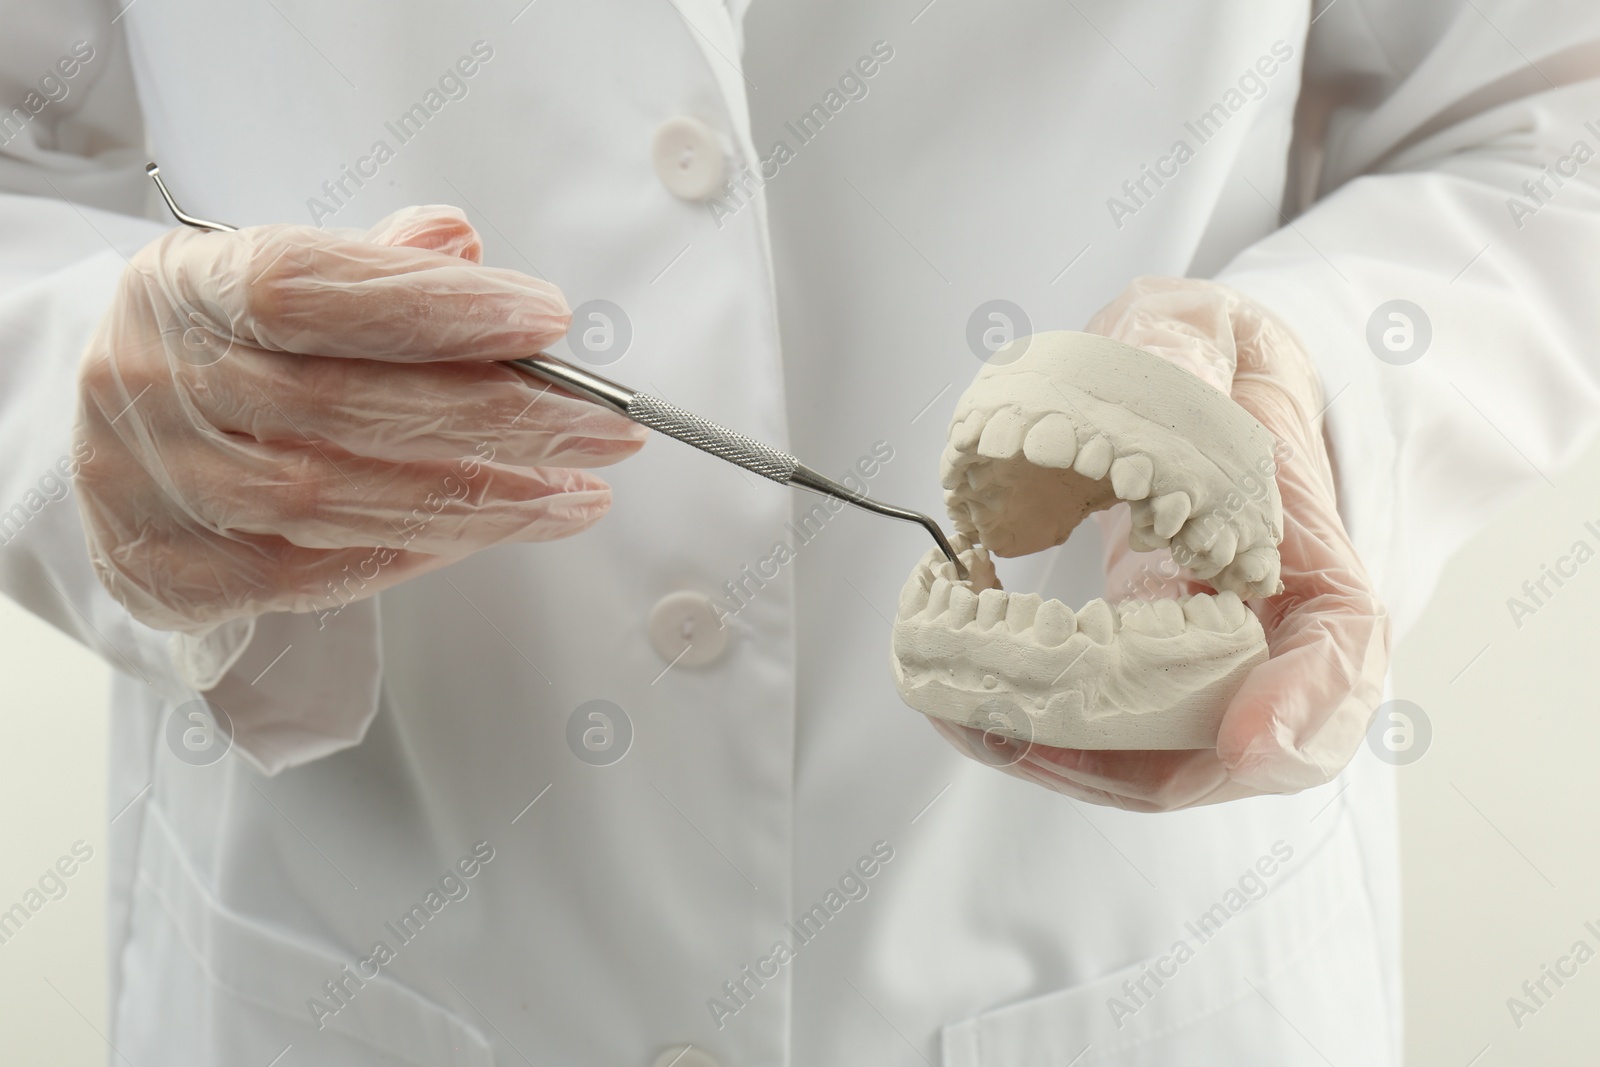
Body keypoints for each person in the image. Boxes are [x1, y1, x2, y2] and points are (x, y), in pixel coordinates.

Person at [2, 1, 1596, 1063]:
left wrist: (1322, 386)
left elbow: (1549, 123)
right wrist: (86, 397)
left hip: (1129, 960)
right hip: (368, 953)